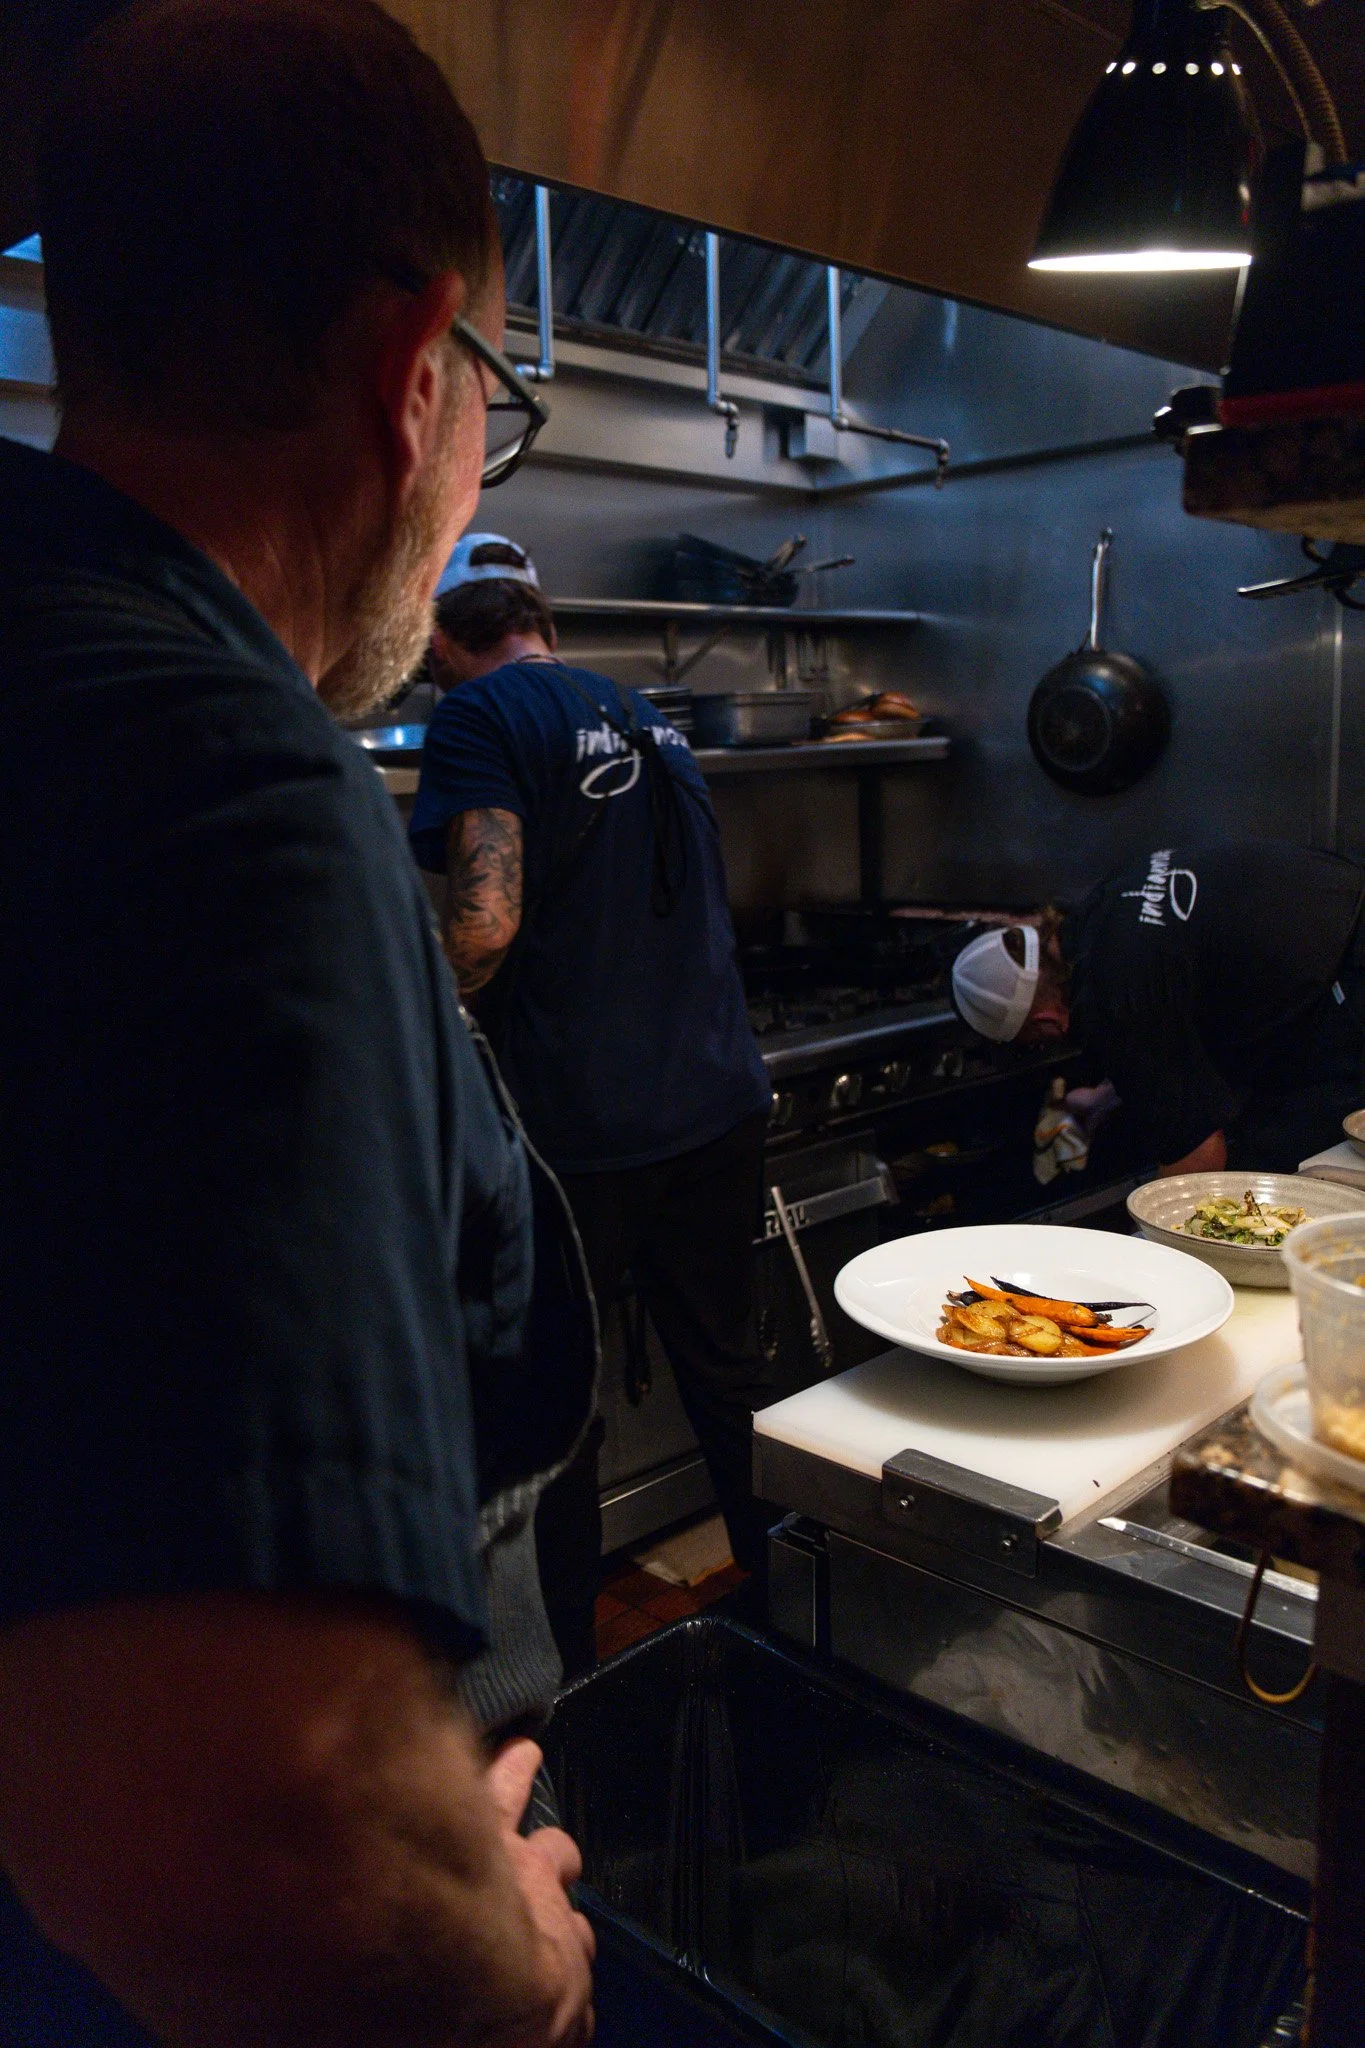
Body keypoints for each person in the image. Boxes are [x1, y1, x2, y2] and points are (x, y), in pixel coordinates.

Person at [0, 4, 595, 2043]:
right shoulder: (231, 781)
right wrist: (510, 1969)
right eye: (486, 412)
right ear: (410, 369)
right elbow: (239, 1820)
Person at [411, 534, 777, 1678]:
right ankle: (795, 1631)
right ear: (545, 622)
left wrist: (403, 1007)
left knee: (556, 1426)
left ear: (438, 640)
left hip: (585, 1132)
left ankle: (573, 1688)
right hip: (718, 1099)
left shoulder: (477, 718)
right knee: (735, 1386)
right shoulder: (644, 712)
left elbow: (486, 921)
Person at [951, 842, 1365, 1175]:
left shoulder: (1114, 1002)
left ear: (1044, 1022)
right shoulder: (1103, 904)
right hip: (1344, 902)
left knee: (1269, 1166)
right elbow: (1169, 1023)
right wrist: (1107, 1097)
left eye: (1036, 1042)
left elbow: (1201, 1157)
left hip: (1346, 981)